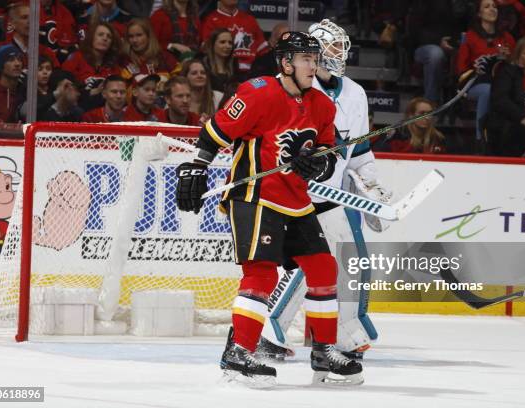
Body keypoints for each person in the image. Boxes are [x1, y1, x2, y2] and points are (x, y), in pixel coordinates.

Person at [174, 32, 363, 386]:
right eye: (306, 59)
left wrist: (316, 167)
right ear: (286, 63)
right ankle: (239, 353)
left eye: (315, 59)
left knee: (323, 268)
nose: (313, 65)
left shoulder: (322, 105)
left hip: (296, 201)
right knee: (262, 274)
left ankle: (322, 351)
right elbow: (214, 133)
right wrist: (196, 166)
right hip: (255, 195)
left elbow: (329, 152)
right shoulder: (258, 93)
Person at [257, 19, 387, 362]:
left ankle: (345, 334)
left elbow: (359, 151)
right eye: (328, 48)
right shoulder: (291, 90)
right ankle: (270, 330)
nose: (335, 55)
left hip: (332, 197)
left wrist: (371, 187)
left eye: (338, 48)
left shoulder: (356, 94)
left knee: (353, 262)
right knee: (306, 266)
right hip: (295, 195)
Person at [456, 0, 516, 141]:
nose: (492, 9)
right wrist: (474, 70)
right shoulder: (470, 37)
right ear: (479, 13)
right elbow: (461, 68)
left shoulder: (507, 38)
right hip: (474, 83)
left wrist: (509, 59)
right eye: (487, 6)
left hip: (501, 84)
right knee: (487, 91)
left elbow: (516, 65)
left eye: (494, 6)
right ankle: (481, 139)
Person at [62, 22, 122, 111]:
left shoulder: (114, 67)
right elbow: (64, 87)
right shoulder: (77, 57)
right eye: (100, 35)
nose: (105, 38)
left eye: (109, 37)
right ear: (91, 38)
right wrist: (93, 92)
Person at [200, 0, 268, 74]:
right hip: (225, 71)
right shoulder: (210, 20)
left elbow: (263, 51)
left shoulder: (250, 20)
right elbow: (207, 50)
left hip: (252, 72)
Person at [0, 3, 59, 68]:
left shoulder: (46, 52)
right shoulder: (1, 50)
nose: (30, 21)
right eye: (24, 17)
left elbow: (57, 77)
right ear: (12, 22)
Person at [120, 18, 182, 84]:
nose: (135, 40)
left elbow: (178, 81)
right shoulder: (124, 60)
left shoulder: (165, 57)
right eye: (131, 36)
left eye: (139, 35)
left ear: (149, 36)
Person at [378, 97, 446, 153]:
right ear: (411, 115)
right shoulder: (397, 135)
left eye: (430, 114)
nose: (427, 118)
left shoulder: (438, 138)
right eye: (422, 113)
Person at [0, 44, 24, 123]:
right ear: (1, 66)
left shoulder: (26, 91)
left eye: (19, 59)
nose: (17, 64)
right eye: (11, 60)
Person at [202, 28, 239, 93]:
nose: (228, 46)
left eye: (230, 43)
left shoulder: (235, 65)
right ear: (212, 44)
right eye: (222, 42)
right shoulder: (203, 65)